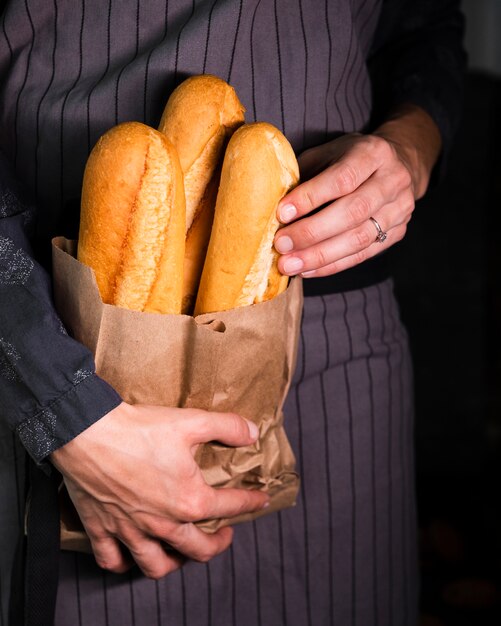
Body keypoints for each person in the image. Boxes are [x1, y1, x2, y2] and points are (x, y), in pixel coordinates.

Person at [0, 0, 466, 624]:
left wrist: (411, 146)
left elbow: (423, 24)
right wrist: (63, 411)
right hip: (67, 363)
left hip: (340, 366)